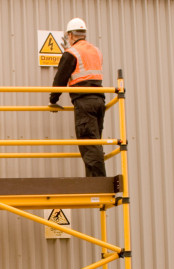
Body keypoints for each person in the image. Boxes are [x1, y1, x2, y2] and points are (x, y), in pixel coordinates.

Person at [50, 18, 106, 177]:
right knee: (95, 142)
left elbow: (60, 79)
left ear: (70, 35)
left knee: (88, 143)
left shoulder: (71, 53)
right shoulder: (96, 51)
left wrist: (53, 100)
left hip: (84, 102)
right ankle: (94, 179)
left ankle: (97, 183)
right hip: (99, 101)